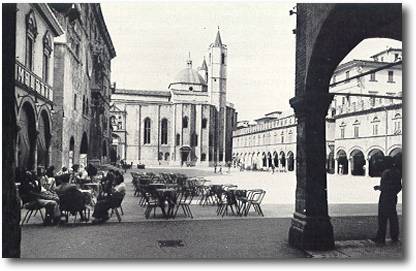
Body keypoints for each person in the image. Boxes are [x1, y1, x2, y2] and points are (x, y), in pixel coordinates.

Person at [372, 157, 402, 245]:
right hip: (393, 197)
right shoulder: (397, 172)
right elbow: (399, 186)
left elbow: (385, 186)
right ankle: (394, 236)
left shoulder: (386, 172)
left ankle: (381, 237)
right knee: (393, 217)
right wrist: (394, 192)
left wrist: (379, 188)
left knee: (382, 217)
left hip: (385, 197)